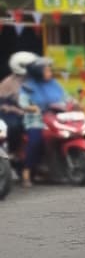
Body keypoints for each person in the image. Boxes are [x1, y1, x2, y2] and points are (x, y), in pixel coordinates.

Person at [18, 57, 68, 186]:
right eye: (46, 70)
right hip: (36, 120)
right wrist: (31, 107)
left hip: (57, 118)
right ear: (38, 72)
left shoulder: (54, 84)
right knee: (35, 141)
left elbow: (66, 97)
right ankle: (26, 172)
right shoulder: (28, 86)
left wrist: (73, 103)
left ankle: (60, 169)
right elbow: (22, 103)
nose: (50, 72)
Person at [0, 51, 37, 186]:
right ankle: (13, 151)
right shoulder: (8, 83)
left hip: (31, 112)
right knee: (15, 126)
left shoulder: (34, 80)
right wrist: (18, 110)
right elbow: (3, 104)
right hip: (11, 113)